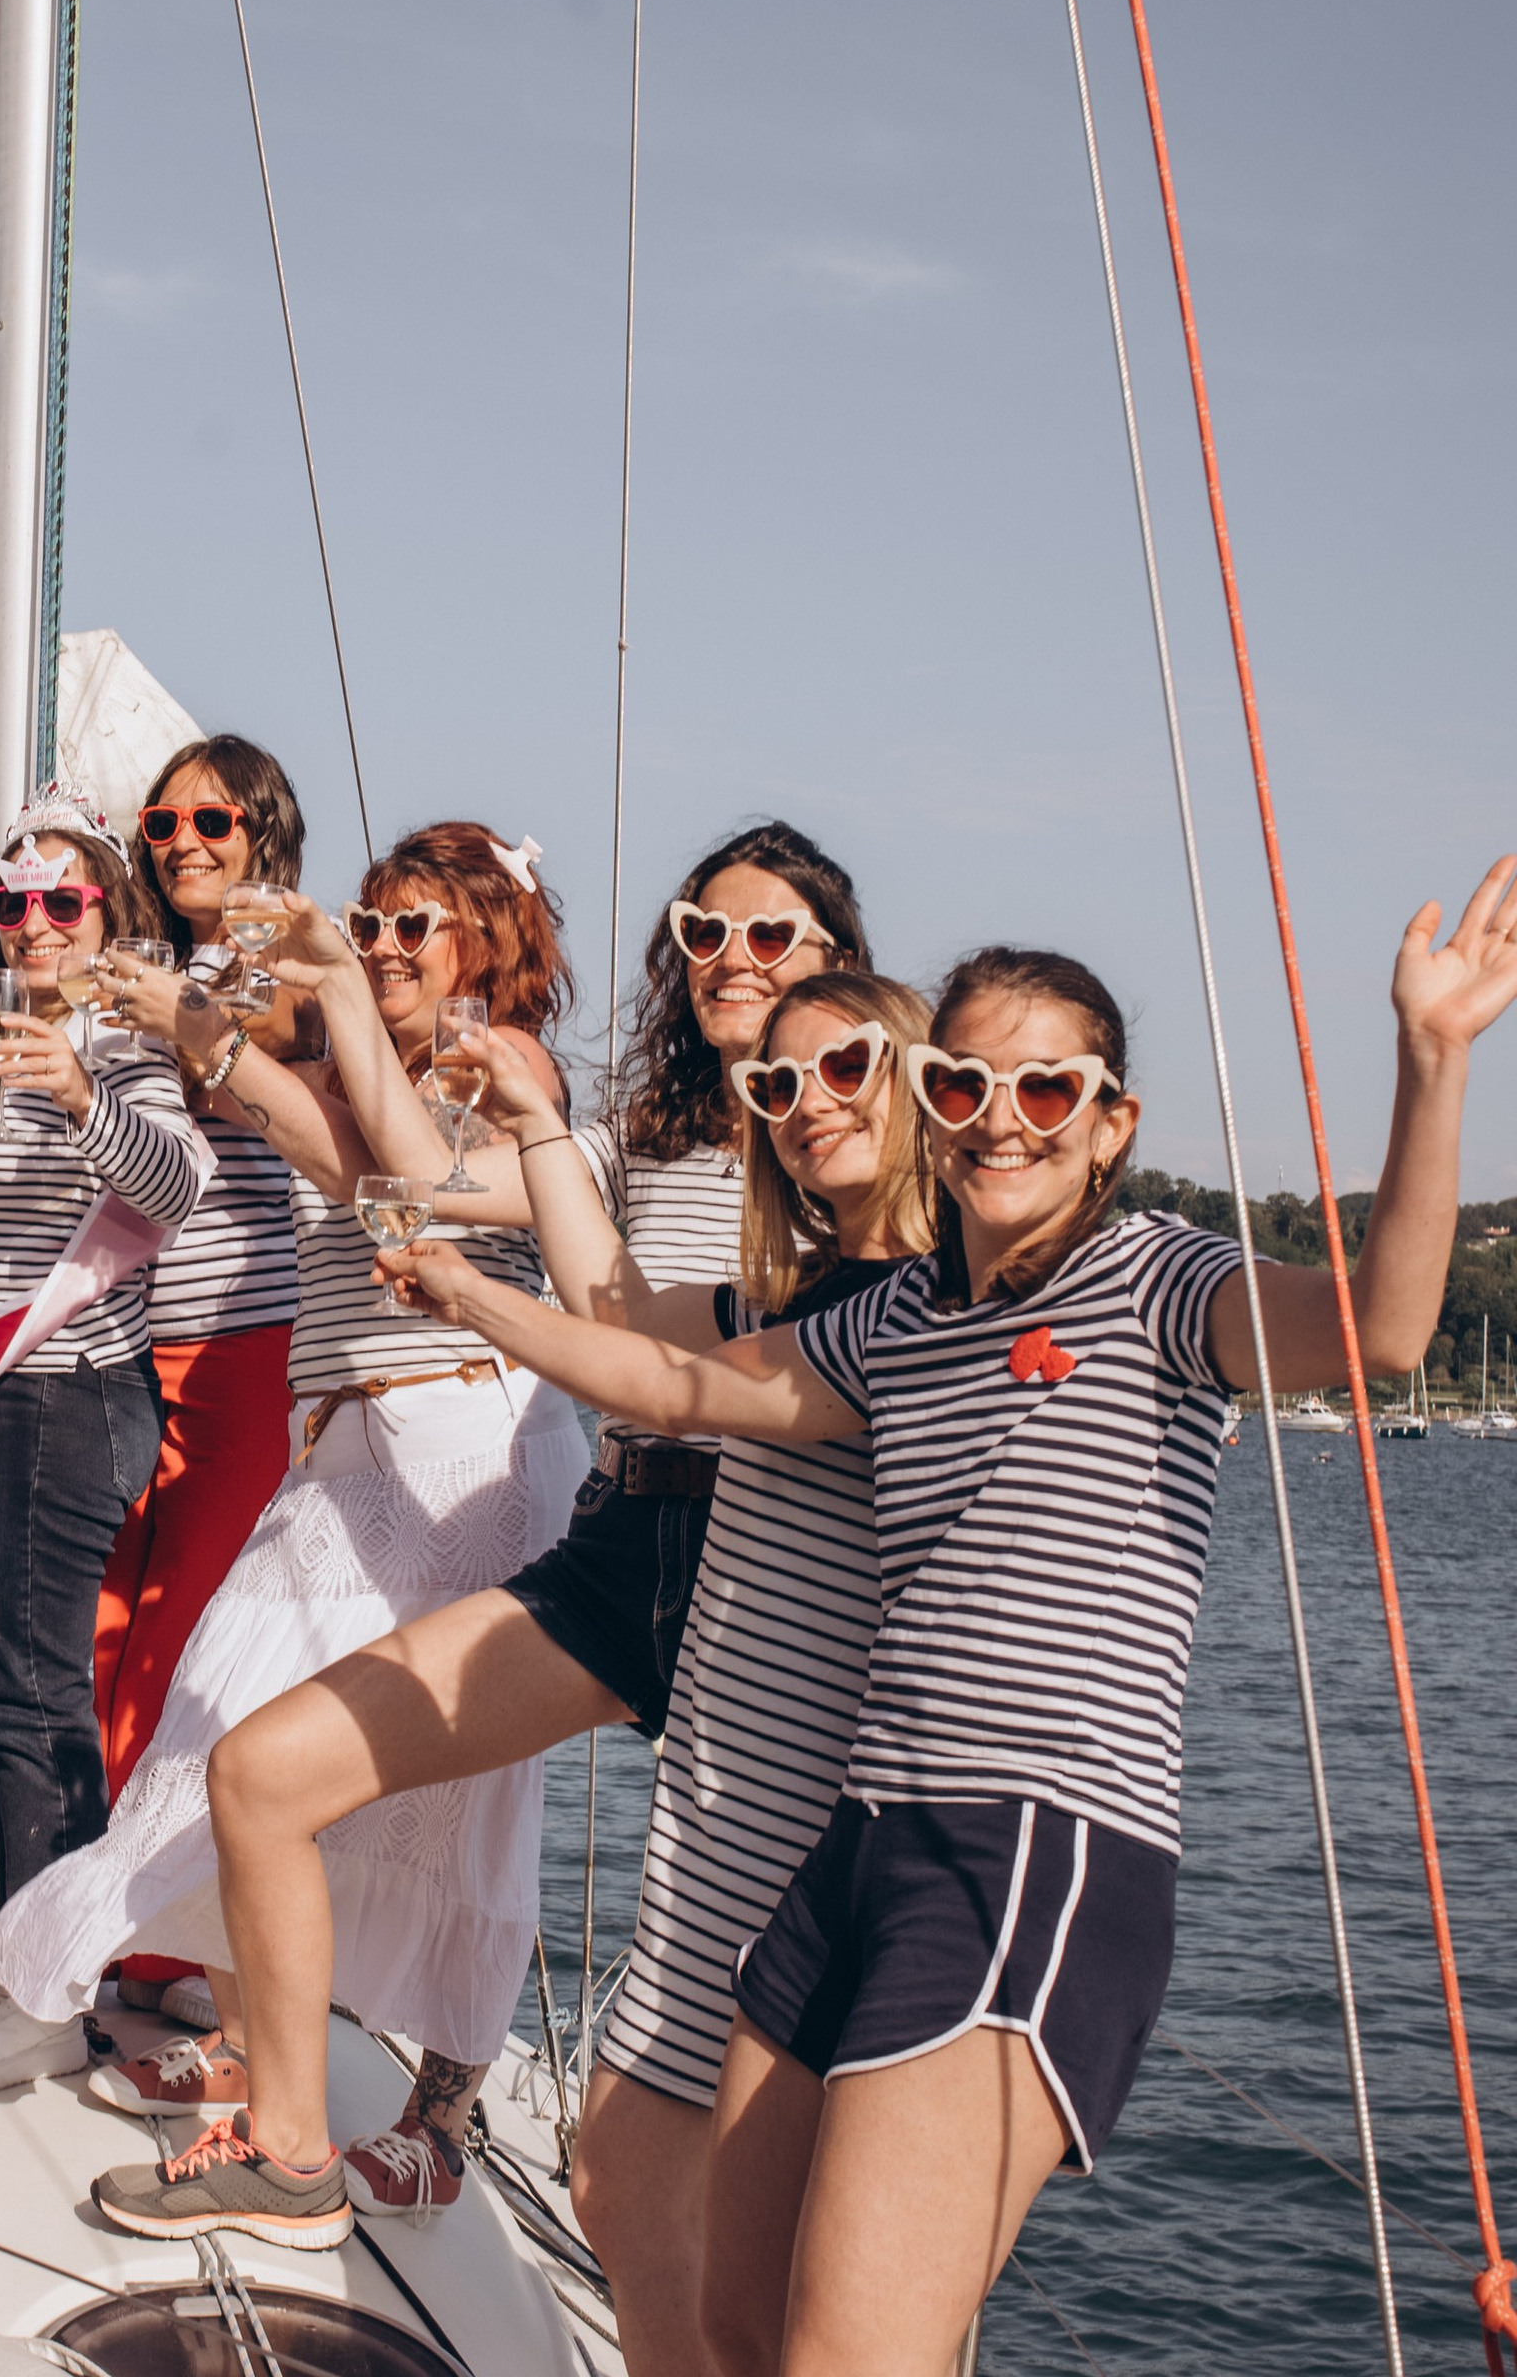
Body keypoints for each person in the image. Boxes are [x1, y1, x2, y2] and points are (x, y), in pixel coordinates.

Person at [381, 871, 1517, 2377]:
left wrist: (1432, 1062)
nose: (1006, 1114)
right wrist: (472, 1296)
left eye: (1053, 1086)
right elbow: (679, 1387)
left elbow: (1374, 1332)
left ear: (1112, 1121)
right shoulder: (899, 1318)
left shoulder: (1157, 1279)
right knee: (733, 2309)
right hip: (860, 1846)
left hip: (1033, 1848)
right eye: (968, 1080)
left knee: (852, 2353)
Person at [197, 968, 928, 2338]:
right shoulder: (792, 1282)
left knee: (767, 2247)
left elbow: (671, 1381)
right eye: (778, 1085)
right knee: (265, 1772)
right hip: (646, 1580)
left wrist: (473, 1301)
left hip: (821, 1734)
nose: (802, 1105)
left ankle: (431, 2115)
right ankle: (287, 2156)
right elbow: (628, 1320)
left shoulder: (936, 1306)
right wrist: (532, 1133)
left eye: (847, 1071)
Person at [0, 823, 580, 2245]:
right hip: (352, 1443)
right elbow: (290, 1119)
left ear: (490, 947)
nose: (383, 947)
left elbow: (381, 1166)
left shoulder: (515, 1080)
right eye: (372, 923)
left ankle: (437, 2116)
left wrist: (231, 1025)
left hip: (475, 1436)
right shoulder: (345, 1052)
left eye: (418, 928)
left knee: (466, 1794)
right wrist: (202, 1021)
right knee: (219, 1718)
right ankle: (247, 2046)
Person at [0, 785, 208, 2093]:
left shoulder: (118, 1048)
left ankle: (41, 1996)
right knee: (6, 1676)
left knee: (34, 1689)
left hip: (67, 1394)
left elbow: (173, 1190)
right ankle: (22, 1948)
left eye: (60, 902)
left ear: (106, 913)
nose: (31, 923)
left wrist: (79, 1090)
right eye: (11, 903)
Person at [88, 736, 306, 2014]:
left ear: (260, 824)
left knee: (184, 1640)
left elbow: (268, 1038)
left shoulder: (281, 961)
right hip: (116, 1334)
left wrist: (162, 1012)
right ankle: (102, 1907)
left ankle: (170, 1940)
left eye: (210, 818)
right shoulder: (150, 964)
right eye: (160, 821)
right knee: (101, 1636)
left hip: (239, 1341)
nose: (182, 840)